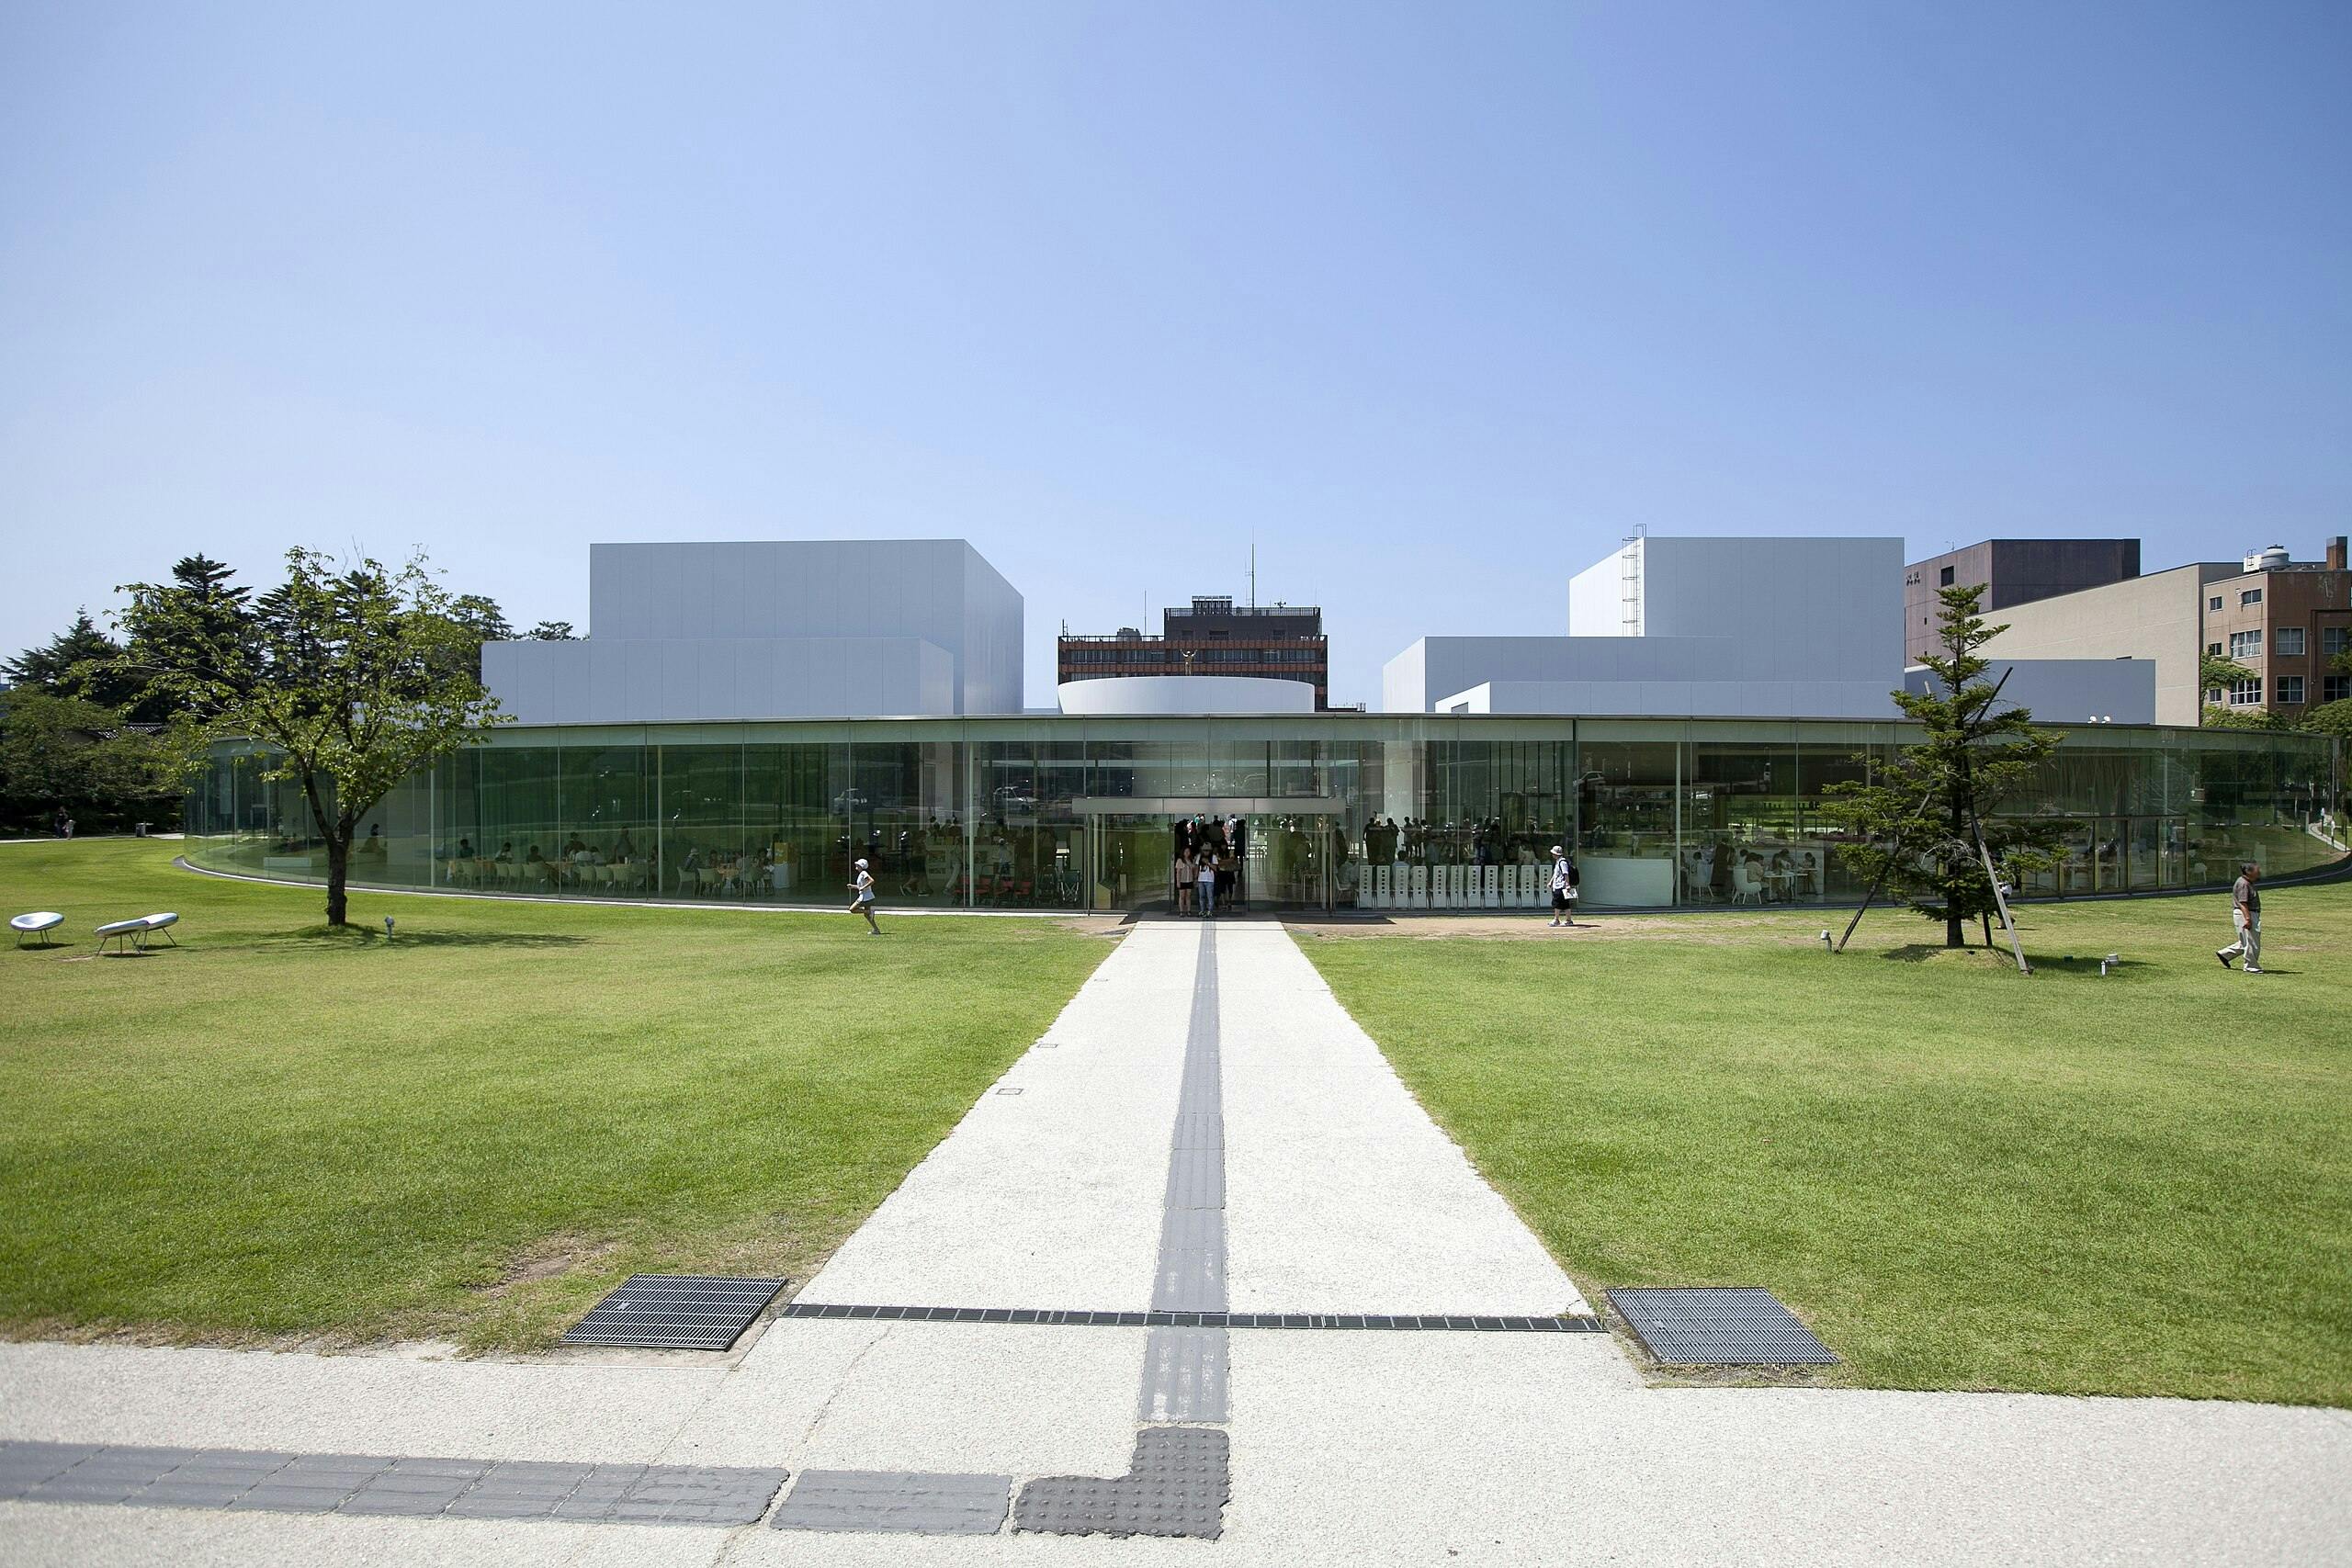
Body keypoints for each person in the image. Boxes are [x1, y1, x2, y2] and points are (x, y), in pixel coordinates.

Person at [2217, 861, 2262, 974]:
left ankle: (2225, 954)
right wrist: (2248, 919)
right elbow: (2243, 903)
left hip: (2247, 913)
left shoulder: (2247, 882)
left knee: (2246, 941)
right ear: (2249, 872)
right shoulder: (2243, 884)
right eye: (2257, 870)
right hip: (2245, 913)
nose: (2259, 872)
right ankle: (2251, 966)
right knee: (2251, 942)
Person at [849, 856, 882, 935]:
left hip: (865, 898)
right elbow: (861, 886)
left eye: (858, 865)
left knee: (852, 909)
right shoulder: (861, 874)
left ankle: (870, 911)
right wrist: (853, 886)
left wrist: (863, 888)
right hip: (868, 897)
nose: (856, 866)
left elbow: (871, 881)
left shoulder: (864, 873)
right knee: (867, 916)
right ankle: (876, 930)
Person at [1548, 843, 1578, 928]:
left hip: (1561, 886)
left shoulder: (1562, 862)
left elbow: (1565, 874)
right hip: (1558, 885)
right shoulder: (1558, 862)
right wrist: (1551, 882)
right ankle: (1567, 920)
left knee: (1557, 903)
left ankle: (1557, 919)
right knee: (1564, 904)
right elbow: (1556, 874)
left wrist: (1567, 884)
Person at [1197, 847, 1217, 919]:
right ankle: (1202, 910)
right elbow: (1197, 867)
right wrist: (1195, 878)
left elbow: (1215, 868)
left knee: (1210, 896)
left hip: (1210, 880)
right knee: (1201, 896)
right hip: (1200, 879)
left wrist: (1208, 863)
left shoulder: (1213, 857)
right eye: (1204, 850)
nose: (1206, 852)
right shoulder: (1199, 856)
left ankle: (1210, 911)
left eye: (1207, 850)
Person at [1174, 848, 1195, 916]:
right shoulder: (1180, 860)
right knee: (1182, 897)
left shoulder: (1191, 860)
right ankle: (1181, 911)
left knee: (1188, 896)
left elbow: (1193, 868)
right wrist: (1178, 882)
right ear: (1183, 852)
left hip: (1189, 880)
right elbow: (1178, 872)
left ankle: (1189, 911)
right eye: (1185, 851)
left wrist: (1190, 863)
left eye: (1188, 851)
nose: (1187, 853)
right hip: (1182, 881)